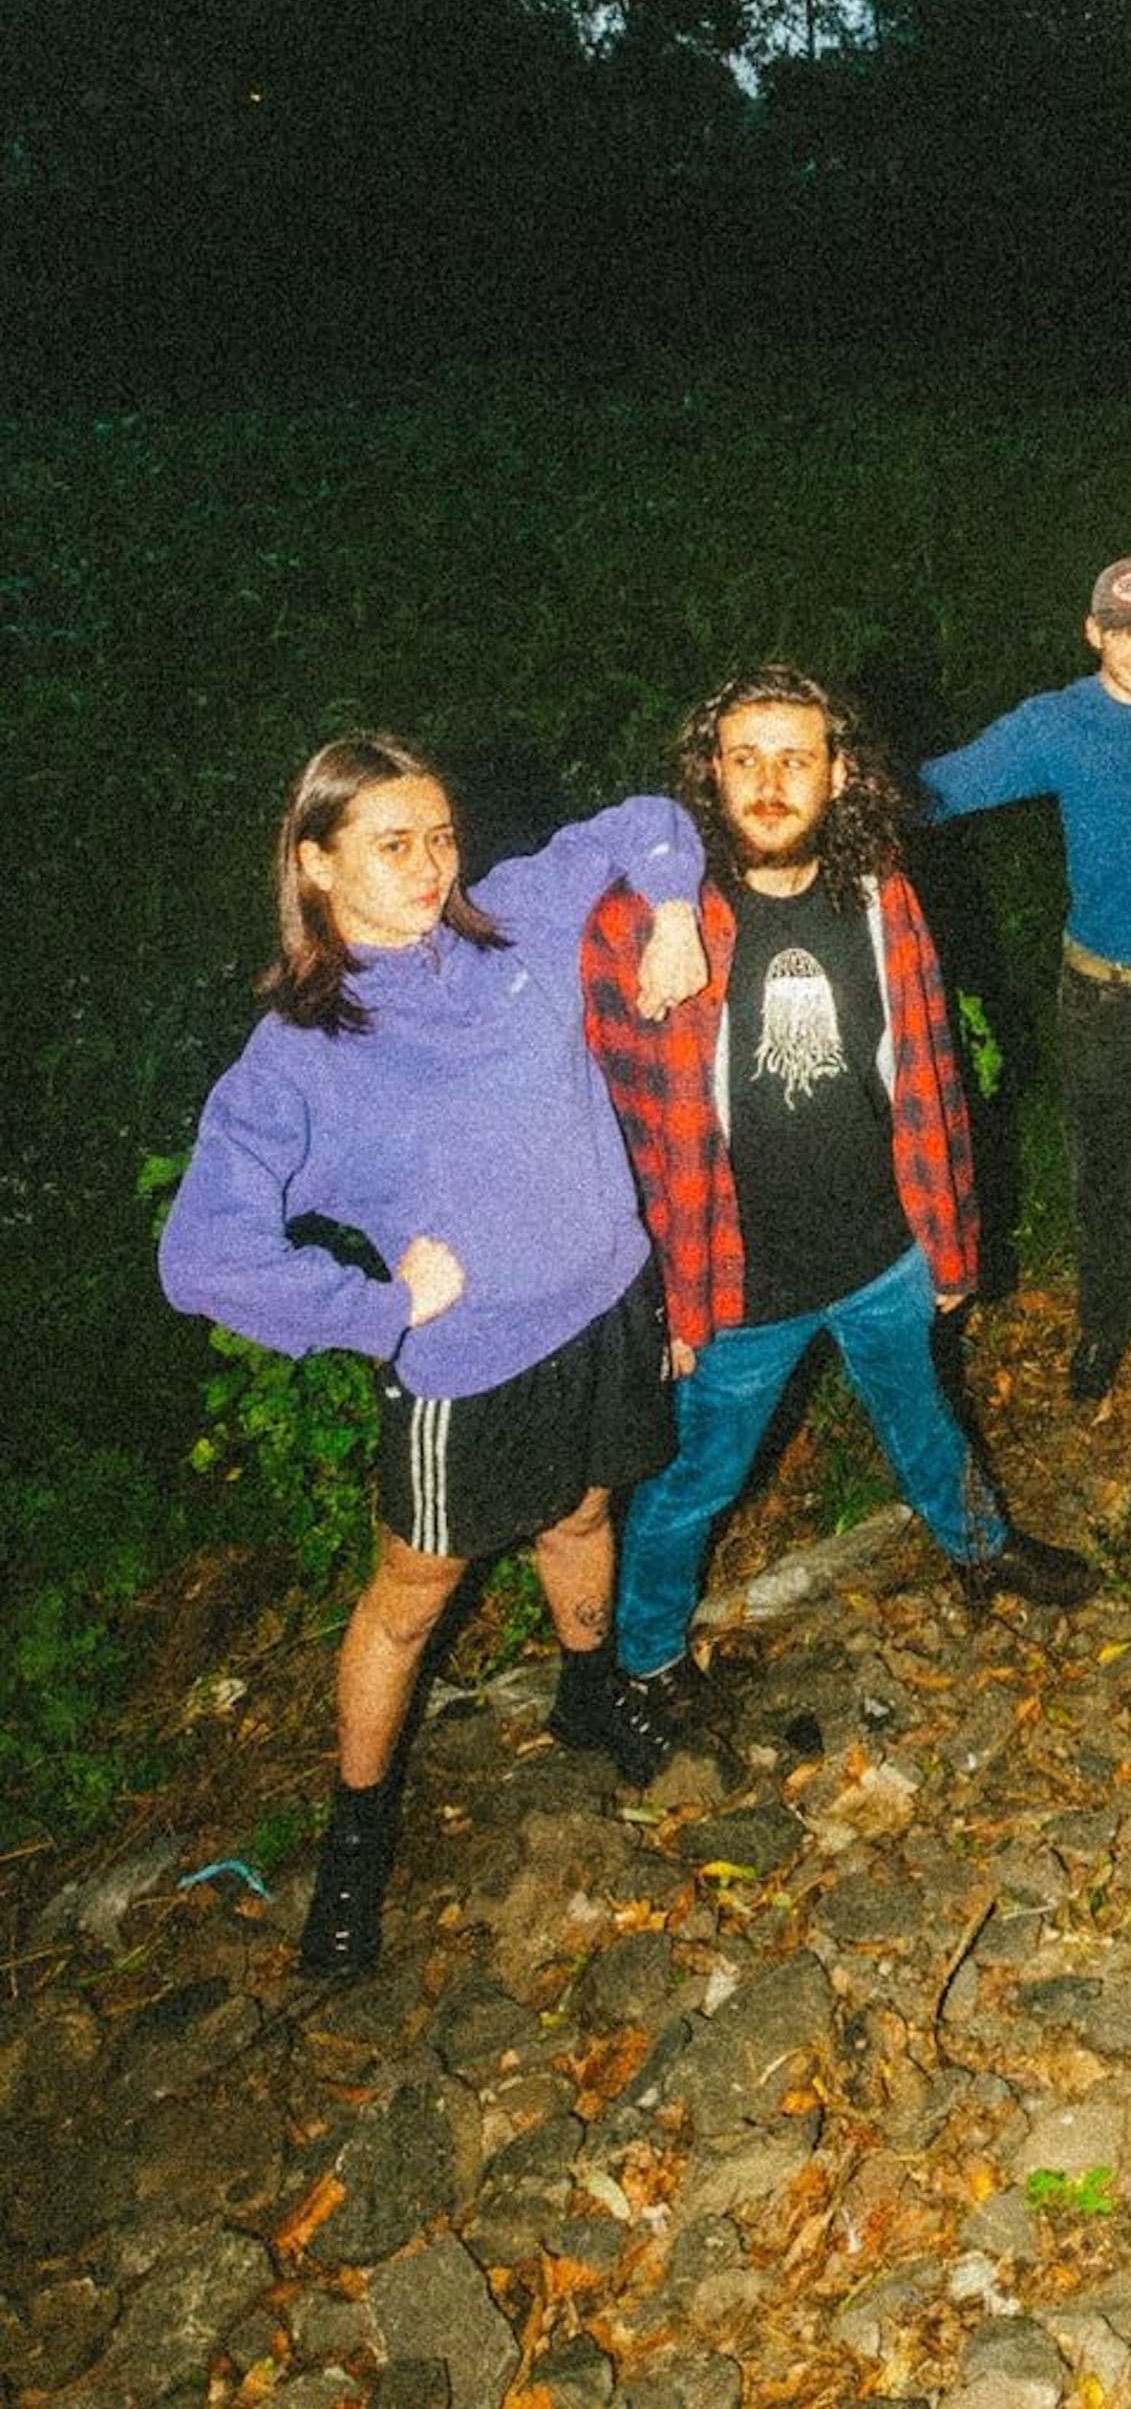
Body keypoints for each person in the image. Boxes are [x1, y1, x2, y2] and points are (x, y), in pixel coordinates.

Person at [159, 738, 712, 1981]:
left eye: (441, 836)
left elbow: (649, 815)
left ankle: (588, 1690)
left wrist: (672, 914)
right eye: (392, 845)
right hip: (466, 1366)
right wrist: (375, 1305)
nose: (429, 867)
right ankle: (356, 1839)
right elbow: (200, 1255)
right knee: (414, 1596)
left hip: (607, 1300)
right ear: (314, 862)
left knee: (582, 1508)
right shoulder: (297, 1055)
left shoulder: (511, 921)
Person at [585, 668, 1097, 1691]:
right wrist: (666, 1302)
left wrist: (946, 1239)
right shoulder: (644, 924)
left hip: (881, 1253)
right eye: (744, 760)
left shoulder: (879, 896)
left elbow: (928, 1074)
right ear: (709, 775)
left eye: (795, 759)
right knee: (693, 1484)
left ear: (838, 773)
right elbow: (613, 1134)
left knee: (923, 1417)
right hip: (737, 1286)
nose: (769, 784)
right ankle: (642, 1661)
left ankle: (980, 1548)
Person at [921, 559, 1131, 1401]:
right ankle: (1104, 1323)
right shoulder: (1054, 725)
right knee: (1100, 1177)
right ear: (1093, 632)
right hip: (1101, 999)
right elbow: (938, 790)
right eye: (1123, 630)